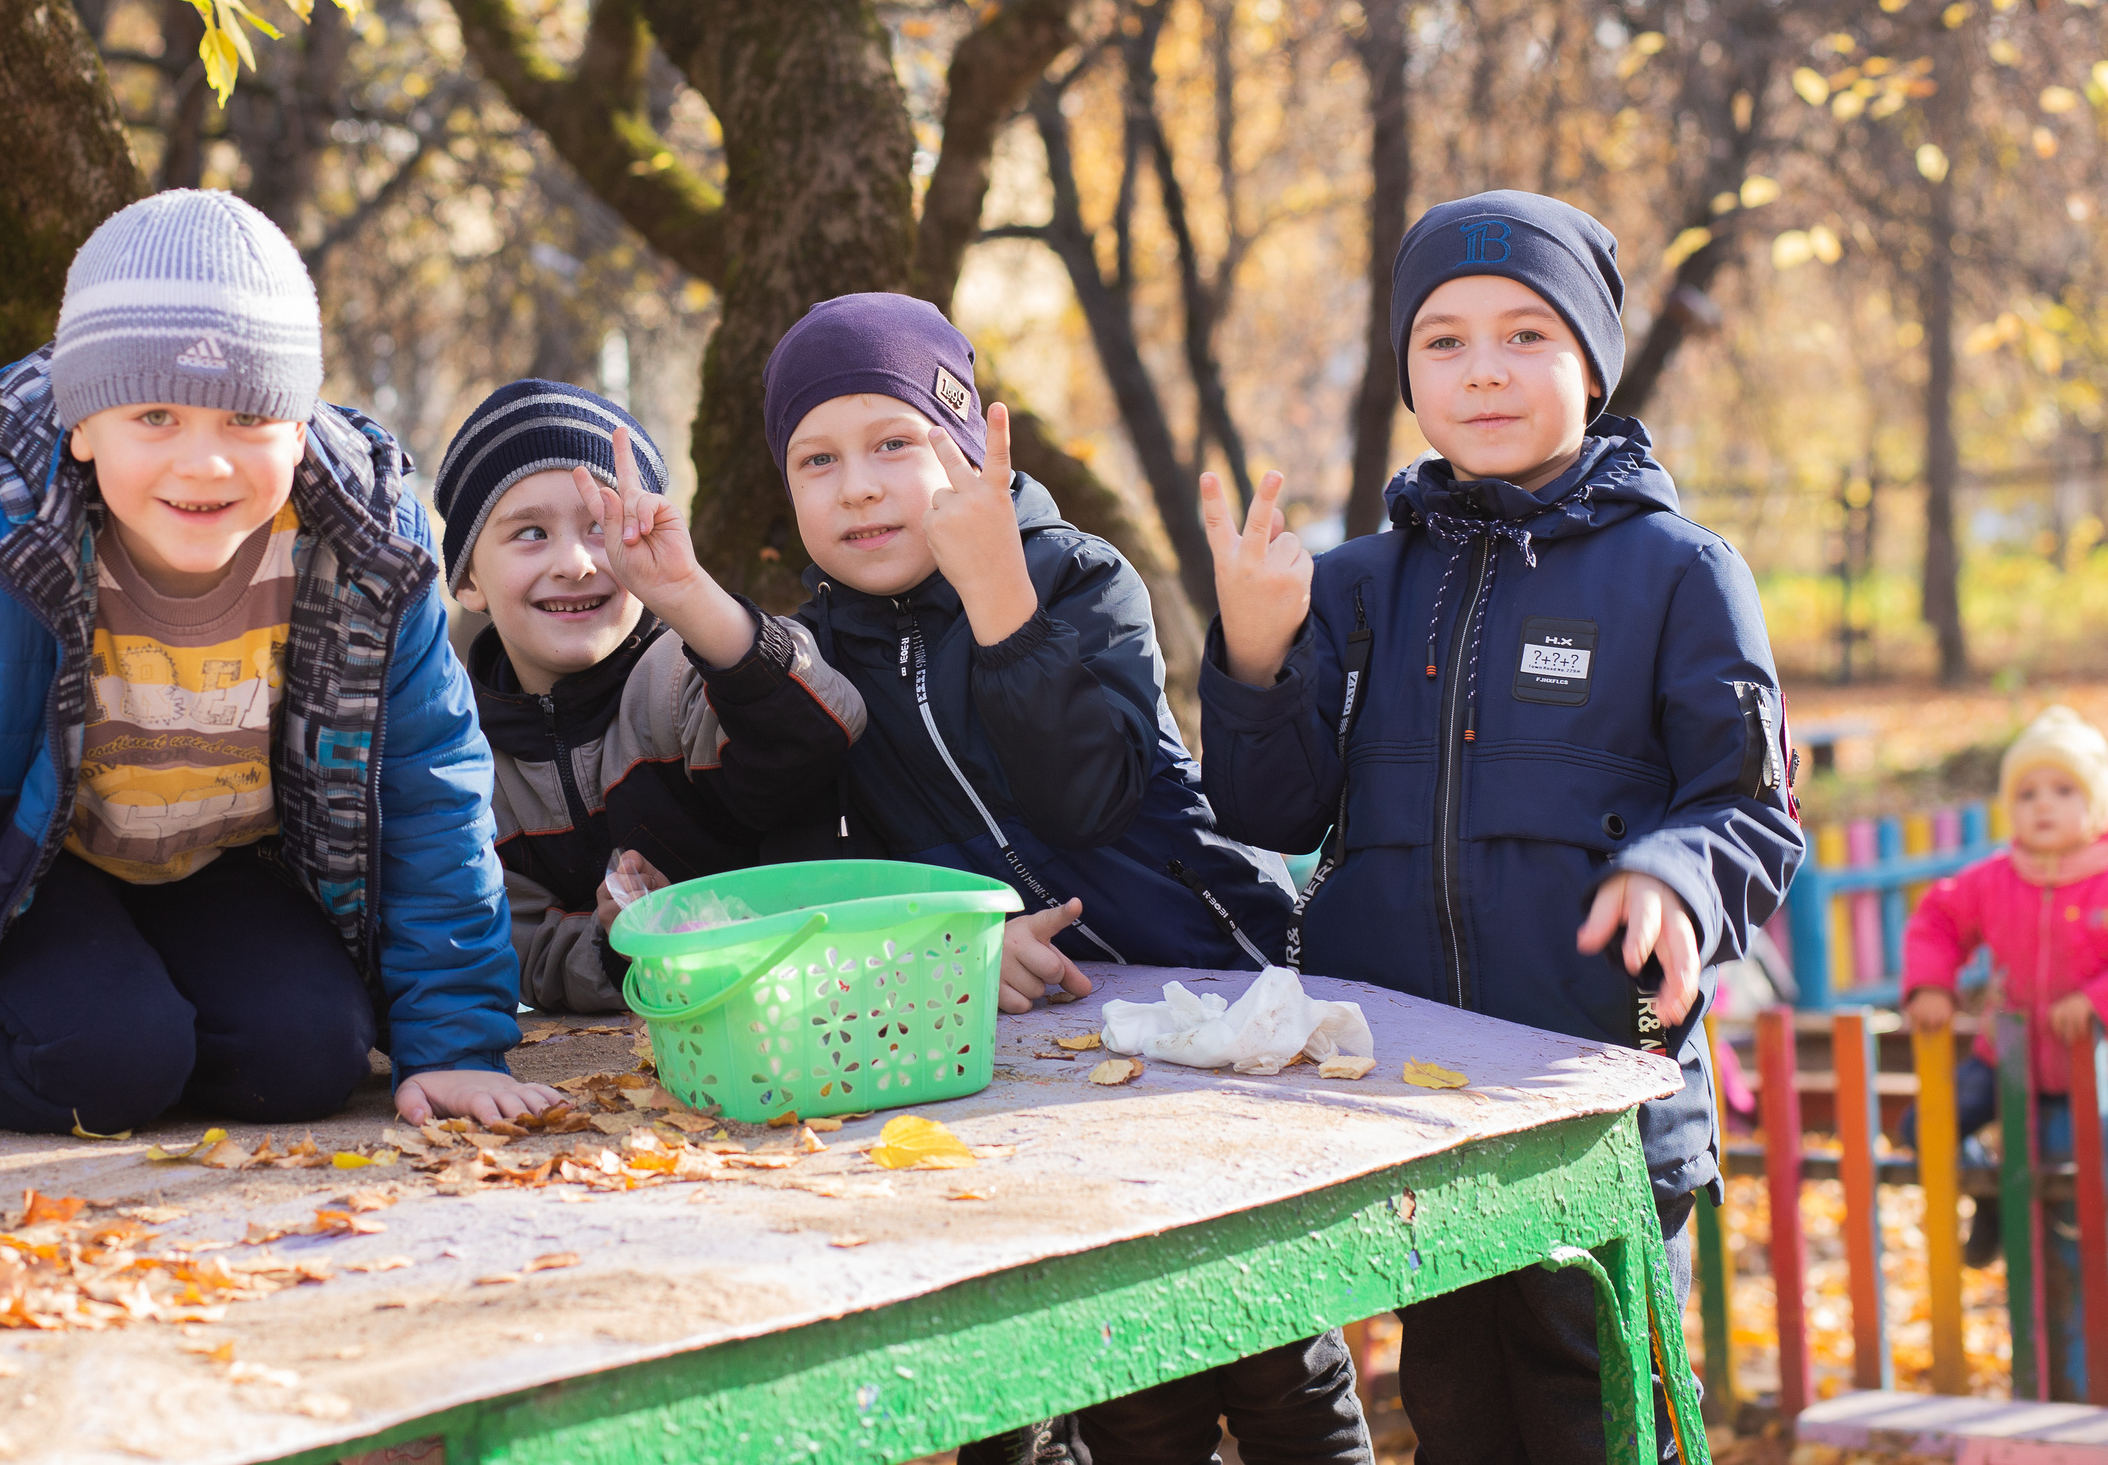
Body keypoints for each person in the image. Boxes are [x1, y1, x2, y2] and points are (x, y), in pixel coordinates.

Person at [0, 190, 552, 1177]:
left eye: (250, 413)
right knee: (107, 1060)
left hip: (217, 863)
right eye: (153, 414)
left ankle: (160, 1026)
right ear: (83, 424)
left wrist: (456, 1045)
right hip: (17, 880)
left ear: (299, 426)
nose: (202, 459)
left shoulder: (370, 551)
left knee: (309, 1056)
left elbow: (428, 780)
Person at [1195, 191, 1803, 1463]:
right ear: (1408, 373)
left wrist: (1674, 882)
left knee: (1606, 1418)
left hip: (1594, 1112)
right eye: (1446, 342)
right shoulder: (1356, 586)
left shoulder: (1680, 572)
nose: (1484, 371)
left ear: (1593, 358)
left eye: (1526, 336)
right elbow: (1266, 808)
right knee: (1460, 1420)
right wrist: (1254, 652)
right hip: (1419, 1113)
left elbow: (1749, 810)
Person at [764, 292, 1364, 1465]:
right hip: (1043, 1062)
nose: (860, 487)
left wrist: (997, 599)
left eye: (895, 443)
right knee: (1134, 1392)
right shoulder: (820, 659)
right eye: (816, 460)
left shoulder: (1079, 577)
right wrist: (955, 950)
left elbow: (1087, 795)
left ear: (971, 447)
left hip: (1208, 1025)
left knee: (1273, 1360)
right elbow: (836, 871)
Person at [432, 380, 865, 1013]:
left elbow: (819, 733)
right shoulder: (466, 760)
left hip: (802, 997)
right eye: (529, 533)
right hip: (655, 1033)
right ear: (468, 578)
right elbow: (526, 952)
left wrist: (690, 595)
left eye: (602, 526)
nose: (576, 562)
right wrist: (619, 940)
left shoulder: (686, 673)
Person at [1904, 704, 2108, 1390]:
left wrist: (2096, 999)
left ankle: (2074, 1374)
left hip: (2086, 1075)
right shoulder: (1993, 878)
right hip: (2006, 1059)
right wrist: (1932, 985)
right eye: (2026, 792)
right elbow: (1936, 920)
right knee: (1922, 1126)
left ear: (2096, 802)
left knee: (2073, 1196)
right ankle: (1988, 1191)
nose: (2043, 805)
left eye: (2063, 790)